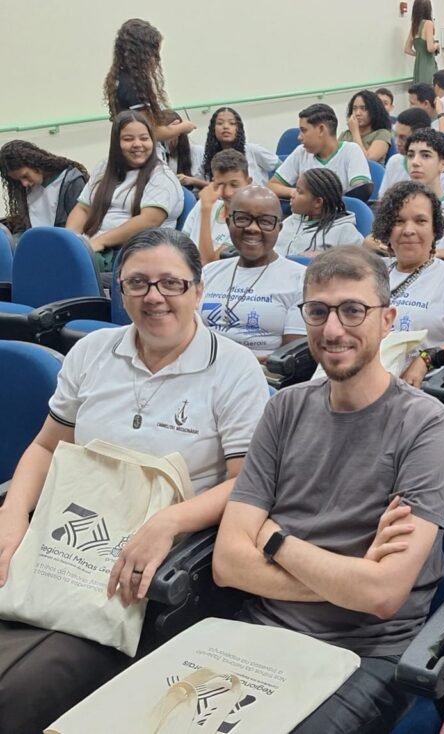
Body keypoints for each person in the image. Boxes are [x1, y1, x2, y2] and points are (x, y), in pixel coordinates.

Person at [0, 228, 268, 734]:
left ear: (198, 290)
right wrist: (13, 513)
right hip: (64, 534)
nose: (154, 296)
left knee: (22, 687)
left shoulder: (233, 369)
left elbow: (246, 482)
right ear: (119, 291)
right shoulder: (93, 352)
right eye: (138, 283)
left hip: (150, 562)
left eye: (171, 283)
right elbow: (45, 447)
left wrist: (170, 521)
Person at [211, 246, 444, 734]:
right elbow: (226, 565)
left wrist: (273, 540)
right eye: (318, 312)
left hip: (366, 652)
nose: (333, 329)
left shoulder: (425, 423)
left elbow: (382, 595)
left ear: (387, 320)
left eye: (353, 311)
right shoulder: (284, 408)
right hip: (261, 629)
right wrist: (350, 581)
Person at [372, 181, 444, 387]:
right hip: (366, 381)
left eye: (420, 221)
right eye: (398, 221)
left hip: (424, 389)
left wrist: (427, 358)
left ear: (435, 230)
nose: (408, 230)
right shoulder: (371, 272)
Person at [66, 111, 184, 273]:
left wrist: (99, 242)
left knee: (67, 272)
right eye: (128, 139)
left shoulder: (162, 176)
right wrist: (70, 241)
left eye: (144, 138)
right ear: (116, 143)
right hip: (94, 248)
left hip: (134, 256)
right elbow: (83, 208)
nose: (137, 144)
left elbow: (149, 220)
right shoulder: (104, 168)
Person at [199, 186, 306, 360]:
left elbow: (291, 357)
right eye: (243, 219)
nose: (252, 228)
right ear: (229, 223)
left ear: (279, 228)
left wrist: (242, 364)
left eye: (265, 221)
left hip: (263, 372)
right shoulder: (209, 272)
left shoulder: (300, 279)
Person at [102, 19, 197, 143]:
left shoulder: (120, 78)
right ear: (142, 54)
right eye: (154, 53)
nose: (157, 59)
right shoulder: (132, 85)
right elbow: (152, 132)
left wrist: (170, 128)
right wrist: (183, 127)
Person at [388, 129, 444, 255]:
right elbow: (371, 240)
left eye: (425, 156)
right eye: (410, 156)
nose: (415, 162)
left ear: (443, 165)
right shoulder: (397, 202)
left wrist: (428, 255)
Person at [268, 103, 372, 202]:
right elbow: (272, 186)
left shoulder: (351, 151)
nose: (299, 137)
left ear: (321, 130)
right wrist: (298, 193)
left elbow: (360, 191)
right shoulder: (301, 152)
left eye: (304, 130)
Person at [0, 140, 88, 232]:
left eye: (25, 176)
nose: (24, 184)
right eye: (17, 180)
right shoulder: (23, 188)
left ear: (35, 164)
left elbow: (79, 228)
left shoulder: (72, 182)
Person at [182, 149, 251, 264]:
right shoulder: (203, 204)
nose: (228, 193)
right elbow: (180, 248)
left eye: (234, 185)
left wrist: (206, 211)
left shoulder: (248, 222)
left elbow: (208, 264)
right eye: (220, 185)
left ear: (248, 182)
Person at [278, 169, 363, 255]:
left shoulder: (344, 230)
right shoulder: (289, 221)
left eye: (299, 192)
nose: (292, 194)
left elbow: (360, 259)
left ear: (318, 202)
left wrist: (324, 257)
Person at [379, 107, 444, 198]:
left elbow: (443, 204)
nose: (397, 142)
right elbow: (383, 199)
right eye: (396, 136)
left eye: (403, 138)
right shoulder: (394, 161)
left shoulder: (442, 173)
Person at [195, 107, 279, 188]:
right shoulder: (209, 159)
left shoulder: (253, 150)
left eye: (232, 123)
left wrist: (270, 188)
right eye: (220, 123)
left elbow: (282, 171)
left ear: (239, 128)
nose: (226, 127)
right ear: (213, 129)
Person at [341, 90, 394, 164]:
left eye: (363, 108)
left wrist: (355, 132)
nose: (358, 113)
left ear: (374, 111)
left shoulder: (382, 133)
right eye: (355, 108)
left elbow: (367, 160)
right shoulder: (345, 135)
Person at [158, 110, 205, 187]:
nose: (165, 141)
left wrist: (192, 181)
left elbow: (212, 184)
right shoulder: (159, 154)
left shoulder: (198, 151)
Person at [405, 0, 438, 85]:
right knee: (428, 88)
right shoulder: (428, 24)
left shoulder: (414, 26)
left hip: (418, 65)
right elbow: (430, 48)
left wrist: (419, 54)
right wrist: (436, 45)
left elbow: (407, 49)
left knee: (418, 89)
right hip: (428, 65)